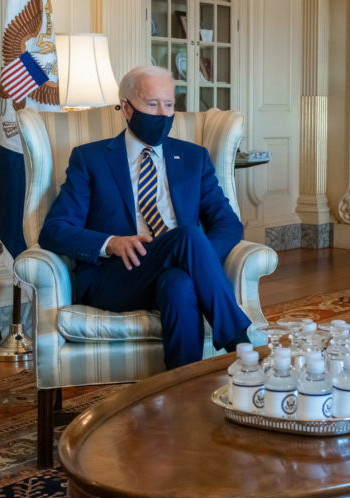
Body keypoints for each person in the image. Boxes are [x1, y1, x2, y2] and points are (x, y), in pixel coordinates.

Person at [39, 65, 251, 369]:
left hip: (175, 271)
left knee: (180, 282)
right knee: (189, 235)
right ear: (126, 108)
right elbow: (54, 230)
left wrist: (196, 259)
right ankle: (241, 346)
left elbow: (228, 223)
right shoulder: (90, 159)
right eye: (152, 105)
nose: (163, 114)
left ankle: (182, 393)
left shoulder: (193, 157)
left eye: (169, 105)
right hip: (116, 277)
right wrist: (111, 243)